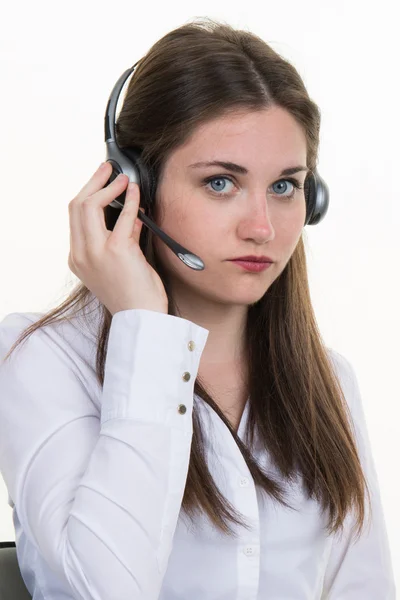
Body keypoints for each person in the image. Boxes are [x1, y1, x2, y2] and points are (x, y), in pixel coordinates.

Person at [0, 17, 395, 600]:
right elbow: (104, 589)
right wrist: (146, 328)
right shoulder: (41, 359)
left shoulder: (328, 381)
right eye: (220, 183)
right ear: (133, 188)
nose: (262, 227)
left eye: (285, 186)